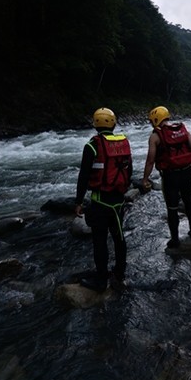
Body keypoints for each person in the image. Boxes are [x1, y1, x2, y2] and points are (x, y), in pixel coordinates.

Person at [75, 108, 133, 292]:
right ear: (114, 123)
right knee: (119, 237)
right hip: (118, 199)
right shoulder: (123, 143)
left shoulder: (91, 145)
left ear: (95, 124)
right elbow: (129, 171)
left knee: (100, 240)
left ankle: (101, 280)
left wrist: (78, 201)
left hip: (100, 201)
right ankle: (120, 273)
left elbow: (84, 176)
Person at [142, 106, 191, 248]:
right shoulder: (182, 130)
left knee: (172, 208)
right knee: (189, 201)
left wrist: (145, 179)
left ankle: (175, 239)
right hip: (186, 172)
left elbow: (150, 160)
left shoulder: (155, 136)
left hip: (170, 176)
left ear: (156, 119)